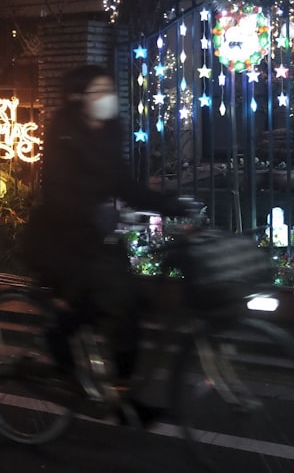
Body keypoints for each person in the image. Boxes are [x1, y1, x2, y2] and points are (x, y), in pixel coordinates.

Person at [20, 64, 185, 393]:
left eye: (109, 90)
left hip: (97, 235)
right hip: (62, 236)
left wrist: (169, 204)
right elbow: (54, 189)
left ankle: (122, 384)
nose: (107, 98)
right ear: (80, 97)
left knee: (129, 304)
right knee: (103, 300)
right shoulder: (64, 130)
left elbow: (123, 183)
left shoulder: (109, 131)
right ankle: (63, 352)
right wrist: (87, 213)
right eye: (99, 92)